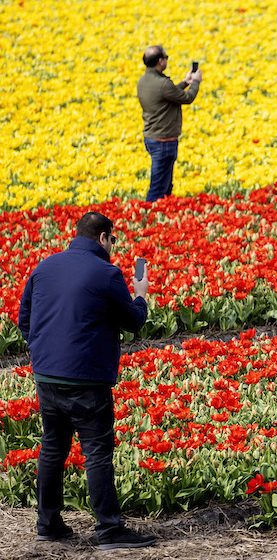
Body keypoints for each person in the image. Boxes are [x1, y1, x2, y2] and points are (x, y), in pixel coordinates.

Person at [17, 212, 155, 550]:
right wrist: (141, 294)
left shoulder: (45, 266)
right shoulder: (106, 273)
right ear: (104, 238)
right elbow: (133, 321)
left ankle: (47, 524)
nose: (113, 247)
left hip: (47, 375)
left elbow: (24, 319)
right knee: (96, 451)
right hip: (87, 378)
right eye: (113, 240)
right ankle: (109, 530)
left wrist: (41, 352)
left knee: (53, 447)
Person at [137, 45, 202, 202]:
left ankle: (160, 217)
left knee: (163, 186)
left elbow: (169, 94)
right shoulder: (163, 84)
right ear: (160, 61)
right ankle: (149, 214)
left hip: (152, 138)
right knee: (160, 188)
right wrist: (196, 83)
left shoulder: (144, 80)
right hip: (163, 141)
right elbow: (186, 98)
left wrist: (185, 82)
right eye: (166, 57)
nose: (167, 60)